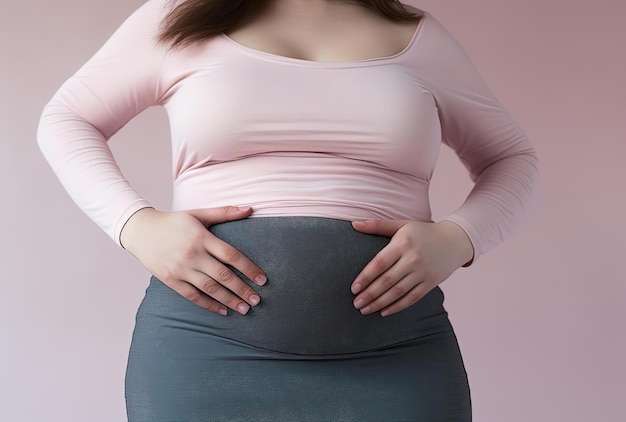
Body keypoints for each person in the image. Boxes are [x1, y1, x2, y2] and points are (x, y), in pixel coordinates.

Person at [37, 0, 540, 420]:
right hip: (203, 353)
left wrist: (460, 237)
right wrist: (135, 225)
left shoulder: (418, 35)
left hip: (396, 356)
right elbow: (67, 118)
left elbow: (512, 158)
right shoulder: (179, 14)